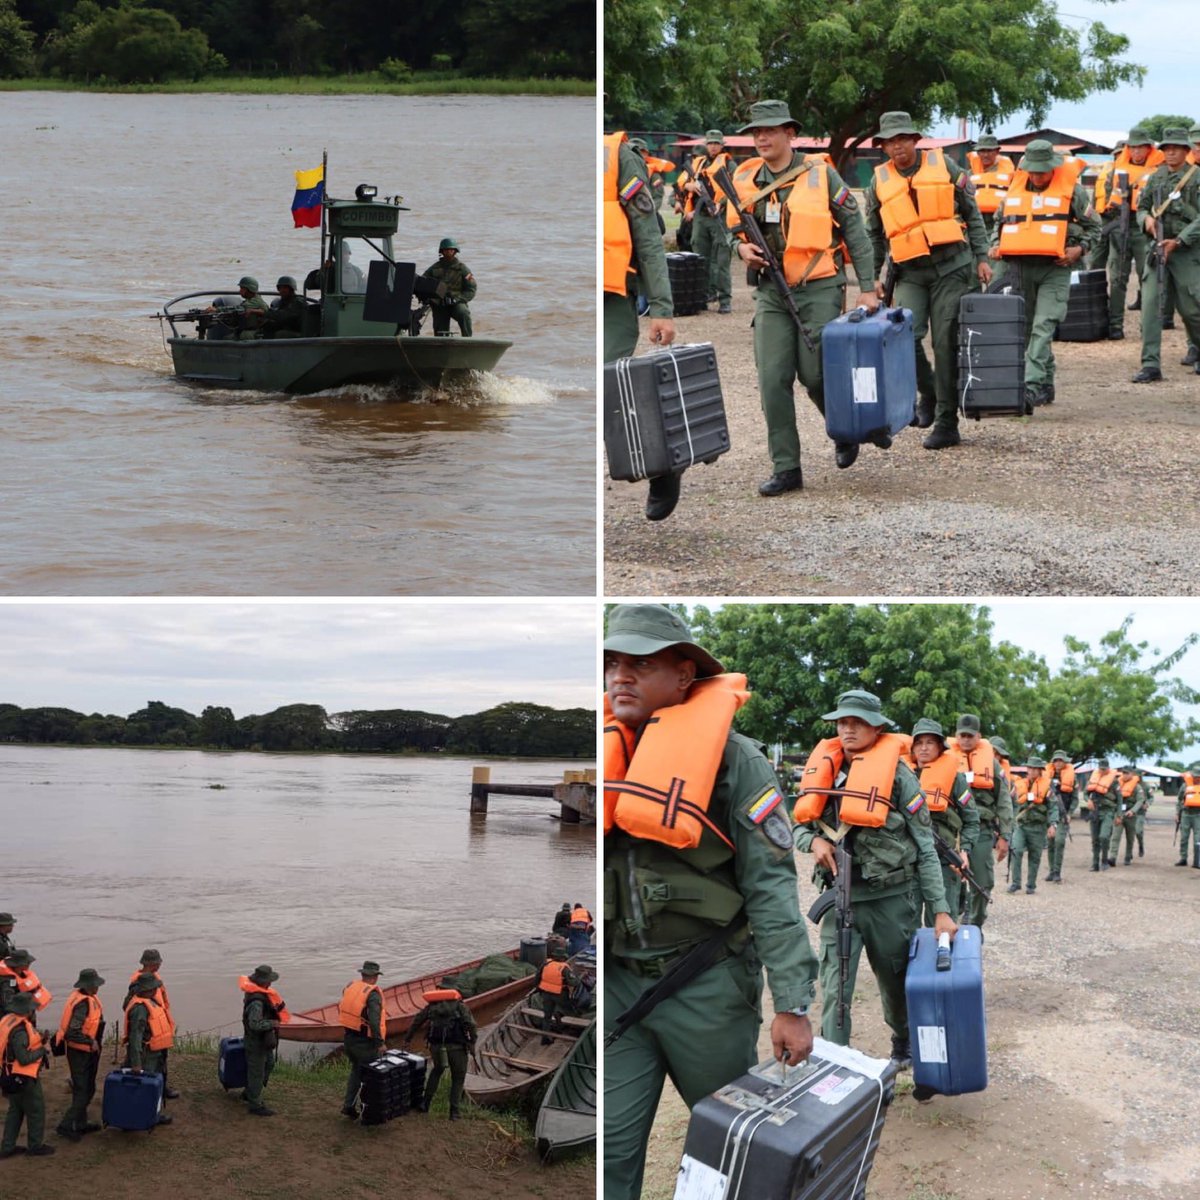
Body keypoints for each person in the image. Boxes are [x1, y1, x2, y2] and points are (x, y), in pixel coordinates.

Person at [603, 603, 816, 1200]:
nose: (621, 675)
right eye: (613, 662)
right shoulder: (602, 751)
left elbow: (772, 887)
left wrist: (792, 1002)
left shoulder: (737, 761)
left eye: (640, 664)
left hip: (706, 985)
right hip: (622, 989)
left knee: (733, 1152)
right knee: (612, 1153)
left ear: (684, 677)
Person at [794, 691, 957, 1075]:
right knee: (835, 985)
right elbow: (798, 827)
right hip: (839, 897)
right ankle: (834, 1063)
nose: (848, 728)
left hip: (892, 899)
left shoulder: (900, 777)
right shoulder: (824, 772)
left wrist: (941, 910)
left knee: (896, 980)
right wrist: (813, 841)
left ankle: (904, 1045)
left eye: (858, 722)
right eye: (842, 722)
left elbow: (926, 848)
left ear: (877, 727)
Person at [726, 98, 879, 493]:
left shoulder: (821, 175)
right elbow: (731, 233)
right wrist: (741, 249)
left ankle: (844, 429)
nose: (762, 137)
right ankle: (787, 468)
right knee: (772, 377)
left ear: (789, 133)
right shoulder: (745, 180)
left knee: (814, 374)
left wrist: (867, 287)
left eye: (770, 130)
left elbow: (855, 231)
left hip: (819, 286)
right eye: (756, 132)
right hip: (772, 292)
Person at [865, 111, 991, 448]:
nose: (897, 147)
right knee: (904, 335)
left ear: (915, 140)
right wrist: (872, 278)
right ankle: (930, 393)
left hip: (952, 267)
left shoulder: (945, 166)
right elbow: (874, 236)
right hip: (910, 271)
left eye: (902, 139)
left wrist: (982, 257)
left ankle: (947, 424)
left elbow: (971, 213)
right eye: (890, 142)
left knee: (945, 342)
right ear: (883, 147)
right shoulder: (878, 181)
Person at [602, 131, 679, 522]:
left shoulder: (620, 157)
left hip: (610, 293)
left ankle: (662, 465)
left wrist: (661, 308)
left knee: (610, 388)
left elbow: (649, 238)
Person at [990, 138, 1101, 408]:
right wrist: (995, 245)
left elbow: (1094, 228)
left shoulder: (1072, 191)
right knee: (1027, 328)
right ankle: (1046, 384)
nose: (1037, 176)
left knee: (1044, 325)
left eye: (1042, 170)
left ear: (1052, 167)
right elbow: (999, 224)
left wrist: (1080, 250)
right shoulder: (1014, 189)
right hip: (1020, 268)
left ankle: (1029, 387)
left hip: (1056, 269)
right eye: (1033, 170)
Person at [1131, 127, 1200, 383]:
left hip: (1187, 252)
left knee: (1192, 309)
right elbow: (1141, 207)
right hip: (1158, 248)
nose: (1170, 152)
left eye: (1176, 148)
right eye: (1166, 148)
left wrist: (1180, 240)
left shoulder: (1196, 177)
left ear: (1186, 150)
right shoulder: (1156, 177)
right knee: (1150, 309)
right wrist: (1146, 220)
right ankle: (1150, 364)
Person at [905, 718, 979, 926]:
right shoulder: (901, 776)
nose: (924, 748)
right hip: (908, 862)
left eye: (930, 742)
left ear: (940, 747)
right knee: (906, 925)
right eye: (919, 743)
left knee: (942, 925)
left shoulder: (955, 780)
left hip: (944, 861)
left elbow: (972, 820)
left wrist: (964, 849)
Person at [1092, 129, 1163, 339]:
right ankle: (1115, 326)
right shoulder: (1116, 169)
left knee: (1147, 278)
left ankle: (1147, 328)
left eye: (1140, 147)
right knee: (1117, 279)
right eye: (1132, 147)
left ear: (1148, 148)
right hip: (1119, 228)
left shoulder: (1159, 170)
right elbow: (1106, 198)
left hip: (1145, 229)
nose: (1136, 151)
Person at [946, 715, 1013, 927]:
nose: (965, 740)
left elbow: (1004, 801)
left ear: (979, 736)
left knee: (983, 881)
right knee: (949, 880)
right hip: (948, 830)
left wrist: (1005, 835)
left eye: (970, 736)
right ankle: (949, 925)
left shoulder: (992, 765)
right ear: (956, 736)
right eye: (962, 735)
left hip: (981, 831)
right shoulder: (944, 758)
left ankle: (974, 925)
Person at [406, 985, 476, 1120]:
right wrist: (473, 1041)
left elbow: (416, 1022)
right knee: (458, 1077)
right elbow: (470, 1024)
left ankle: (425, 1104)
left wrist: (408, 1040)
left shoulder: (432, 1006)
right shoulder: (460, 1006)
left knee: (436, 1071)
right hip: (457, 1048)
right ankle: (454, 1113)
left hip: (436, 1047)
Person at [684, 130, 734, 313]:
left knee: (722, 258)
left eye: (716, 143)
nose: (713, 146)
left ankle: (725, 300)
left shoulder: (729, 164)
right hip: (700, 216)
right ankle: (702, 296)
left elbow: (737, 189)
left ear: (722, 145)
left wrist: (721, 204)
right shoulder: (698, 163)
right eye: (710, 143)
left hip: (719, 216)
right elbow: (684, 183)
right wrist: (689, 185)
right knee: (699, 257)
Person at [52, 968, 105, 1142]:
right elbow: (71, 1032)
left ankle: (81, 1124)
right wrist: (91, 1042)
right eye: (96, 984)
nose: (98, 987)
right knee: (83, 1090)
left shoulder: (85, 998)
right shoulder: (82, 1004)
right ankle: (65, 1126)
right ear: (89, 986)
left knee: (87, 1088)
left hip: (85, 1052)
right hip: (79, 1053)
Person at [0, 992, 54, 1158]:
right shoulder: (21, 1030)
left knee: (15, 1111)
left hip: (8, 1075)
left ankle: (7, 1147)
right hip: (24, 1078)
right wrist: (41, 1051)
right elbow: (23, 1059)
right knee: (36, 1111)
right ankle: (35, 1146)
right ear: (27, 1010)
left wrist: (40, 1041)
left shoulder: (7, 1020)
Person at [123, 950, 177, 1098]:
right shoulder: (137, 984)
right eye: (158, 961)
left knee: (161, 1063)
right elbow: (127, 1007)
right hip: (149, 1035)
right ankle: (150, 1098)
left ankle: (161, 1087)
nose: (160, 964)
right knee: (147, 1070)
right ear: (150, 963)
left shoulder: (154, 978)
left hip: (159, 1028)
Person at [123, 973, 173, 1125]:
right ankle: (145, 1116)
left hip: (155, 1052)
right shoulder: (140, 1009)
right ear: (147, 990)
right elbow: (135, 1038)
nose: (155, 990)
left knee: (153, 1084)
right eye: (153, 988)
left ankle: (151, 1114)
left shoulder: (149, 1001)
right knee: (146, 1086)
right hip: (146, 1055)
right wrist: (136, 1062)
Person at [239, 965, 289, 1117]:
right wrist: (273, 1023)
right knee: (257, 1073)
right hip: (255, 1042)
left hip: (262, 1041)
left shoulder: (259, 994)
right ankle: (255, 1104)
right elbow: (255, 1024)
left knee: (269, 1064)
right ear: (265, 982)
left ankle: (249, 1092)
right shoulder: (257, 1002)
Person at [338, 960, 385, 1120]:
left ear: (363, 974)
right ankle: (369, 1113)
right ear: (375, 977)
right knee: (371, 1077)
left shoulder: (350, 987)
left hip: (349, 1039)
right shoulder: (372, 994)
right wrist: (379, 1043)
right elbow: (374, 1020)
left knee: (356, 1072)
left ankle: (348, 1106)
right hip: (366, 1043)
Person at [1007, 758, 1057, 894]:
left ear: (1040, 770)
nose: (1032, 771)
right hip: (1021, 825)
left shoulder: (1047, 786)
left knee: (1035, 857)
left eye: (1035, 768)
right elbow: (1009, 803)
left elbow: (1053, 807)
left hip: (1038, 827)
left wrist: (1053, 824)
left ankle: (1031, 885)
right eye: (1030, 768)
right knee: (1016, 851)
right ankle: (1016, 883)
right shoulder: (1018, 785)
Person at [419, 238, 477, 337]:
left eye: (451, 250)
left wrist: (457, 299)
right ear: (442, 251)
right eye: (446, 250)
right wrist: (429, 299)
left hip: (456, 302)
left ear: (455, 251)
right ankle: (441, 348)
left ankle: (468, 339)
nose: (448, 252)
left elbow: (471, 289)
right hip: (439, 304)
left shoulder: (462, 269)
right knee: (440, 331)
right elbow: (422, 283)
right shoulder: (434, 268)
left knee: (464, 314)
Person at [965, 133, 1016, 237]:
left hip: (998, 221)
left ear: (997, 151)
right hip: (975, 222)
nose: (986, 155)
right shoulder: (969, 174)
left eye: (989, 151)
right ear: (977, 153)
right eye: (982, 151)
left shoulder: (1010, 175)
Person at [1081, 758, 1121, 871]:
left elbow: (1119, 799)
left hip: (1108, 811)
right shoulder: (1093, 779)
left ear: (1108, 768)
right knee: (1095, 839)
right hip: (1094, 811)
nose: (1103, 771)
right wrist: (1087, 800)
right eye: (1101, 769)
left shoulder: (1114, 781)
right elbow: (1085, 793)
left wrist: (1119, 815)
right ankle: (1095, 864)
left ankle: (1104, 860)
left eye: (1105, 769)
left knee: (1104, 836)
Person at [535, 942, 579, 1043]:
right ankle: (571, 1029)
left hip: (545, 993)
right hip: (559, 994)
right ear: (563, 958)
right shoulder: (564, 968)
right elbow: (573, 982)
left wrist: (538, 988)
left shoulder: (546, 964)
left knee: (547, 1016)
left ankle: (545, 1038)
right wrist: (577, 979)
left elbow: (537, 978)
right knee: (572, 1010)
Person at [1045, 750, 1078, 883]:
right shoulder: (1046, 776)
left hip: (1063, 813)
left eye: (1061, 760)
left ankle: (1057, 872)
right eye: (1056, 760)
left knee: (1059, 841)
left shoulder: (1072, 778)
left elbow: (1075, 799)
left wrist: (1069, 813)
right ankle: (1051, 871)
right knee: (1050, 842)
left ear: (1065, 762)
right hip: (1050, 814)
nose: (1058, 763)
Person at [204, 275, 269, 341]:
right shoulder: (250, 300)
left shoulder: (255, 302)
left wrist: (217, 310)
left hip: (255, 332)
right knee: (227, 338)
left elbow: (238, 308)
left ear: (249, 289)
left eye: (242, 288)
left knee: (240, 337)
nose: (239, 291)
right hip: (252, 330)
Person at [1110, 766, 1149, 866]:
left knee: (1130, 837)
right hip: (1119, 813)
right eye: (1123, 773)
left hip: (1131, 815)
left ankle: (1128, 856)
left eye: (1127, 773)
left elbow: (1140, 800)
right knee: (1115, 836)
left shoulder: (1137, 787)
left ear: (1132, 774)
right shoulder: (1117, 784)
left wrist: (1133, 811)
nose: (1125, 775)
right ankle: (1112, 857)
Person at [0, 950, 51, 1016]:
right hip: (12, 1013)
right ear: (19, 964)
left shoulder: (21, 973)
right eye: (27, 962)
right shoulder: (8, 981)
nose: (29, 964)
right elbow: (7, 1002)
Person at [1175, 762, 1200, 868]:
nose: (1196, 778)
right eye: (1194, 776)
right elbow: (1179, 799)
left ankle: (1197, 860)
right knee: (1184, 837)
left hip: (1198, 815)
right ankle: (1183, 858)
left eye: (1198, 776)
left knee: (1198, 839)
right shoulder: (1185, 785)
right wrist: (1177, 813)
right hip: (1185, 814)